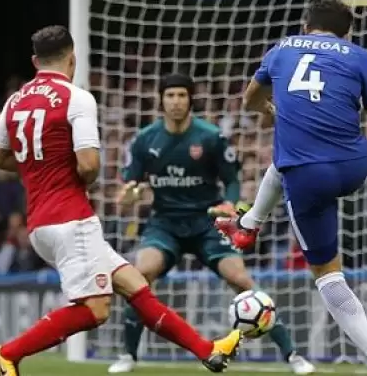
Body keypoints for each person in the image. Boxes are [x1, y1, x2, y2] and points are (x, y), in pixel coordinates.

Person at [0, 25, 242, 376]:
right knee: (95, 310)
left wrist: (37, 169)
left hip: (40, 222)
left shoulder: (15, 100)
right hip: (71, 218)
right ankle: (8, 353)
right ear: (72, 58)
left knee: (134, 284)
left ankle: (207, 350)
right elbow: (88, 165)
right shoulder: (77, 98)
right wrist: (72, 173)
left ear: (35, 61)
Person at [216, 0, 367, 376]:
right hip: (353, 167)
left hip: (307, 175)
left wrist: (269, 109)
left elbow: (250, 100)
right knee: (288, 149)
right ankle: (249, 225)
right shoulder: (360, 56)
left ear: (306, 25)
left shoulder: (283, 48)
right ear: (347, 31)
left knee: (327, 275)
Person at [109, 73, 315, 375]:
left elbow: (231, 180)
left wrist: (229, 204)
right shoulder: (145, 140)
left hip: (207, 223)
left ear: (191, 99)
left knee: (241, 280)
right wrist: (128, 196)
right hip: (164, 224)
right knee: (140, 276)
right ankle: (128, 354)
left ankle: (293, 355)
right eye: (170, 96)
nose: (176, 102)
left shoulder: (210, 136)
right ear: (161, 100)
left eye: (182, 95)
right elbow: (126, 190)